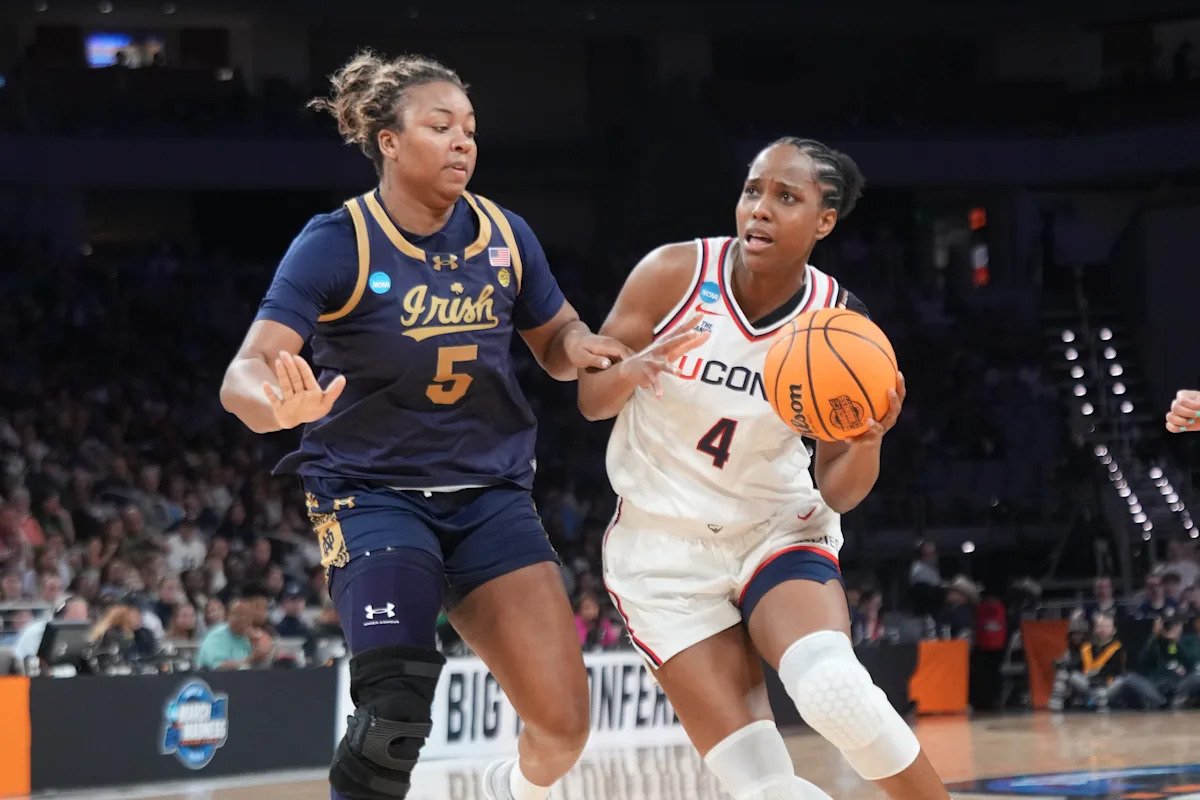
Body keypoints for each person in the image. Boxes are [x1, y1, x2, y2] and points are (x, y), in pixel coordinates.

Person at [219, 50, 626, 800]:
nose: (462, 141)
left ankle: (507, 789)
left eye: (469, 127)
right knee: (392, 717)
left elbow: (556, 338)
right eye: (440, 126)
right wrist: (278, 405)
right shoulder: (338, 240)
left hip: (491, 495)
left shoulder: (505, 234)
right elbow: (242, 373)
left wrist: (580, 347)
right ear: (389, 141)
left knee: (565, 728)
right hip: (372, 494)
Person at [579, 137, 949, 800]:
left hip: (774, 530)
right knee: (765, 788)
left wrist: (867, 441)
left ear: (824, 221)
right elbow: (591, 400)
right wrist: (632, 369)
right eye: (753, 191)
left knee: (834, 688)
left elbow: (840, 490)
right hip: (662, 555)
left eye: (786, 197)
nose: (760, 209)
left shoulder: (839, 321)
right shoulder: (672, 274)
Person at [196, 599, 272, 671]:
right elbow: (219, 666)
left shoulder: (244, 636)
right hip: (210, 676)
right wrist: (251, 659)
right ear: (229, 616)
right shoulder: (217, 635)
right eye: (239, 615)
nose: (243, 619)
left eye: (247, 616)